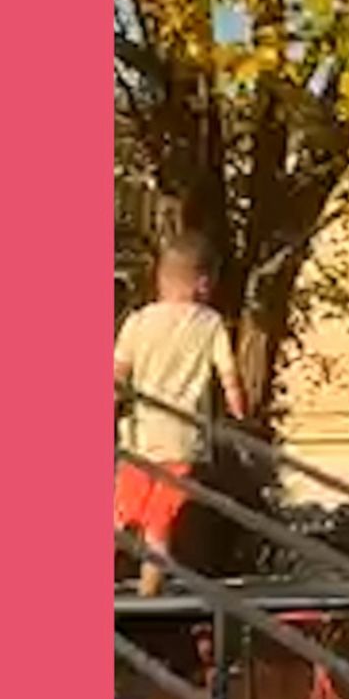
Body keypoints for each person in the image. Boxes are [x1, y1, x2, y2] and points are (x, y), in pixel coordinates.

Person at [113, 232, 248, 596]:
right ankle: (147, 593)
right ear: (203, 283)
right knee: (161, 524)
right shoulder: (210, 324)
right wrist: (239, 412)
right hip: (182, 443)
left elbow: (117, 376)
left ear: (161, 277)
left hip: (139, 439)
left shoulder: (138, 321)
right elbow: (229, 376)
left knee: (121, 515)